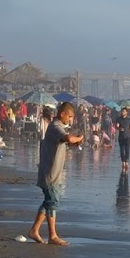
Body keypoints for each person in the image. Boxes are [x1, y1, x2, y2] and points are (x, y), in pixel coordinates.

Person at [30, 102, 83, 245]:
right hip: (50, 173)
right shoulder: (55, 127)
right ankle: (52, 235)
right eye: (70, 116)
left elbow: (65, 142)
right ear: (62, 114)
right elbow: (69, 139)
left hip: (54, 173)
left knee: (49, 201)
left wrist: (73, 142)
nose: (70, 120)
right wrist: (79, 138)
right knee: (53, 202)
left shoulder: (58, 128)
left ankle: (34, 230)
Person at [116, 106, 130, 172]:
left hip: (128, 137)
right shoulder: (119, 119)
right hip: (121, 137)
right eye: (122, 111)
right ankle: (123, 162)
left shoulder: (129, 120)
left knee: (127, 150)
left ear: (126, 112)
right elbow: (116, 126)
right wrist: (119, 128)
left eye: (124, 111)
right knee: (121, 150)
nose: (122, 112)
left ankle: (127, 162)